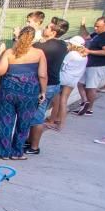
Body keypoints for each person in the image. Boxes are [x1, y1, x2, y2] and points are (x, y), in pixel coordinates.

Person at [0, 26, 47, 160]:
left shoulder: (9, 52)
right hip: (29, 93)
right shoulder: (39, 53)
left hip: (8, 92)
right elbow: (42, 75)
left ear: (19, 36)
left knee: (5, 121)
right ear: (33, 38)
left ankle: (4, 152)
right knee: (24, 123)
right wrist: (43, 91)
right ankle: (17, 152)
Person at [27, 17, 70, 154]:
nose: (44, 29)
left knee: (37, 117)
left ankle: (34, 147)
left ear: (53, 32)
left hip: (45, 85)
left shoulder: (43, 47)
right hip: (54, 84)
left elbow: (25, 48)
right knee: (38, 113)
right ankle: (30, 141)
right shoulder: (63, 45)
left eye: (47, 27)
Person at [75, 16, 105, 116]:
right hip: (91, 64)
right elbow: (86, 36)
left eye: (98, 26)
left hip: (98, 65)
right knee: (80, 84)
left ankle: (89, 109)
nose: (96, 28)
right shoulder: (98, 34)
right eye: (95, 26)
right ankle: (85, 102)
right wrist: (82, 26)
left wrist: (89, 51)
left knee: (91, 87)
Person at [48, 36, 89, 131]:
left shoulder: (71, 54)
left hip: (63, 78)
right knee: (64, 101)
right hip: (73, 80)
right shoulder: (84, 55)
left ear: (73, 45)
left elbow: (62, 65)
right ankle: (60, 123)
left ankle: (52, 120)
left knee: (57, 100)